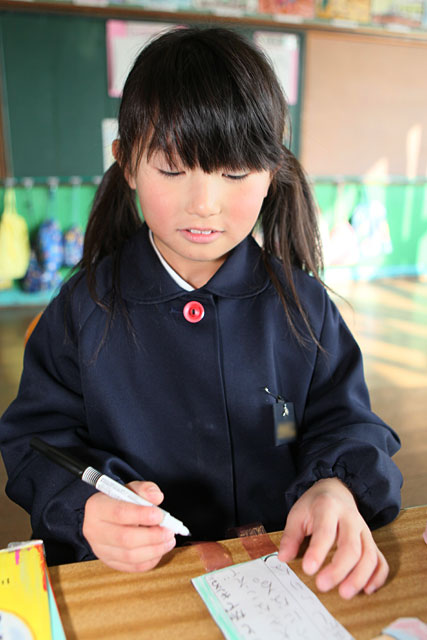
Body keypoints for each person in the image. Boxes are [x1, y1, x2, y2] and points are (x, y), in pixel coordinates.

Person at [0, 26, 401, 600]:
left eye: (234, 173)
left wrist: (335, 485)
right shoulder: (81, 309)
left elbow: (347, 422)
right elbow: (37, 441)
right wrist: (84, 508)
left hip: (284, 579)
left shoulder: (305, 306)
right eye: (172, 169)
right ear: (127, 163)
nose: (205, 204)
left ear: (271, 172)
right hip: (137, 588)